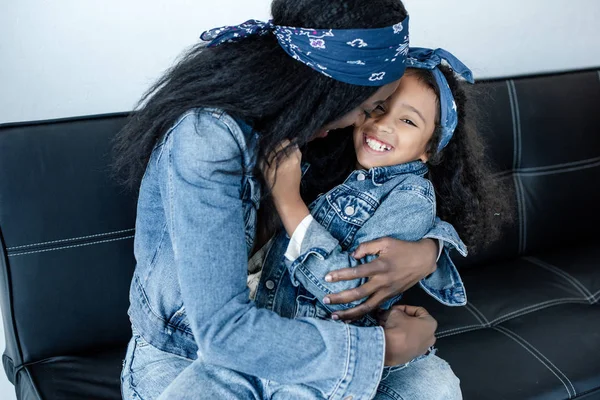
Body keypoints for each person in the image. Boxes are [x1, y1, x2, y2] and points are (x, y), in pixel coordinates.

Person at [115, 1, 468, 399]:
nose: (365, 123)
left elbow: (397, 188)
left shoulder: (313, 123)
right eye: (370, 107)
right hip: (194, 353)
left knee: (432, 386)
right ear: (332, 90)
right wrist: (386, 350)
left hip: (298, 329)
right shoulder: (204, 140)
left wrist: (429, 249)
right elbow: (223, 333)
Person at [258, 50, 510, 388]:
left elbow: (350, 290)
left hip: (325, 363)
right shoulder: (340, 166)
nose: (383, 123)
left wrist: (289, 202)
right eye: (378, 107)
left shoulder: (411, 199)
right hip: (272, 332)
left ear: (430, 149)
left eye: (408, 121)